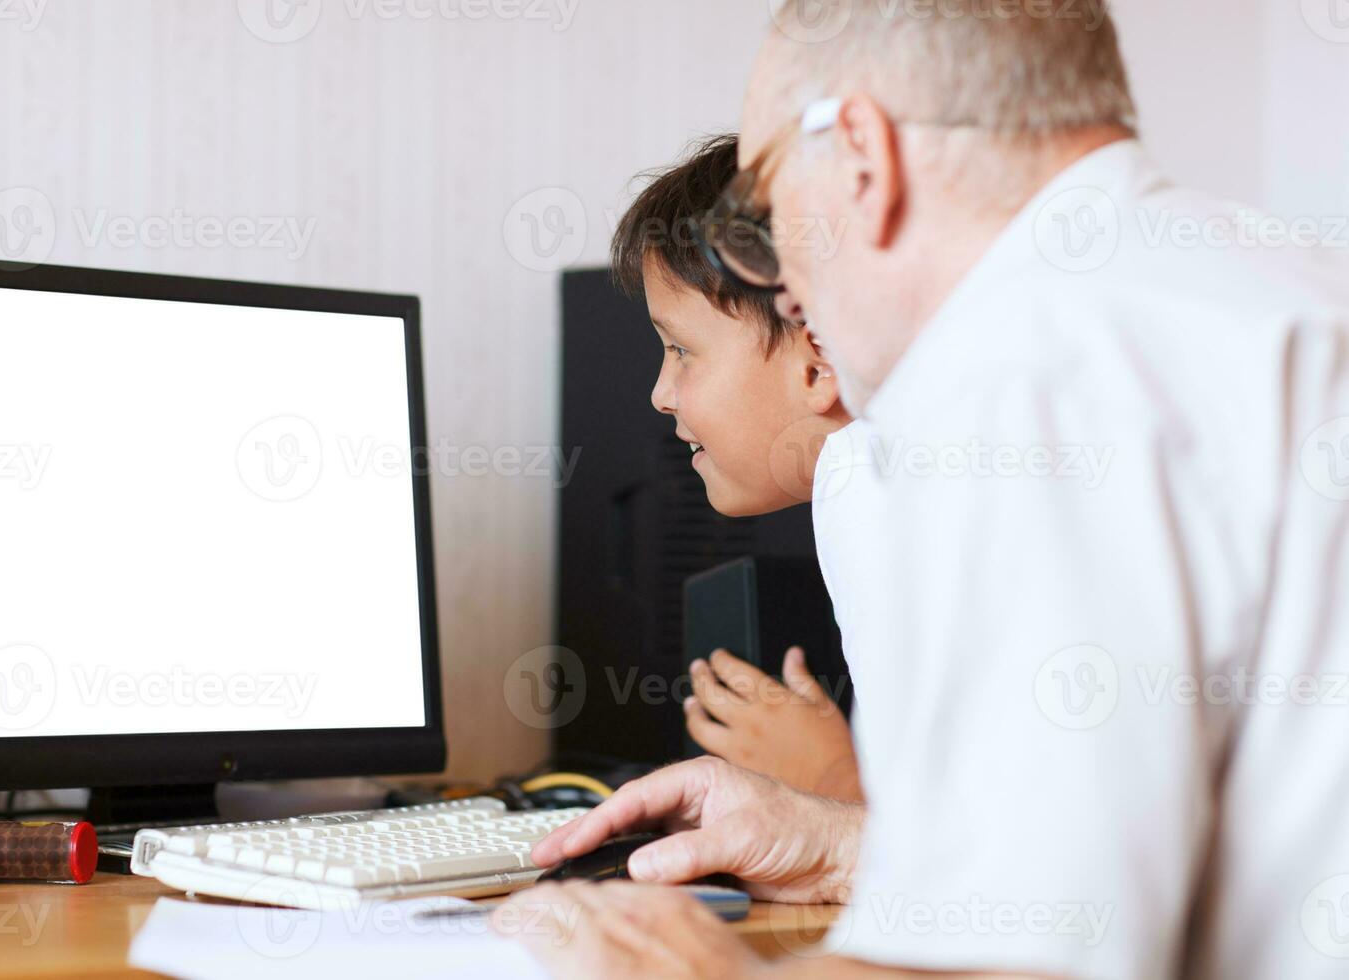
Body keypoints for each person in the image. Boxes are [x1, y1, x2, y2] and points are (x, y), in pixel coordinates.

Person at [497, 2, 1349, 978]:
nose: (783, 281)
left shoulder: (1024, 362)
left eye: (767, 201)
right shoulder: (1275, 285)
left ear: (861, 154)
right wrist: (836, 839)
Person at [610, 133, 860, 802]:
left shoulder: (870, 485)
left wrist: (828, 777)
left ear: (819, 361)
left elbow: (973, 870)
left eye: (681, 350)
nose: (661, 393)